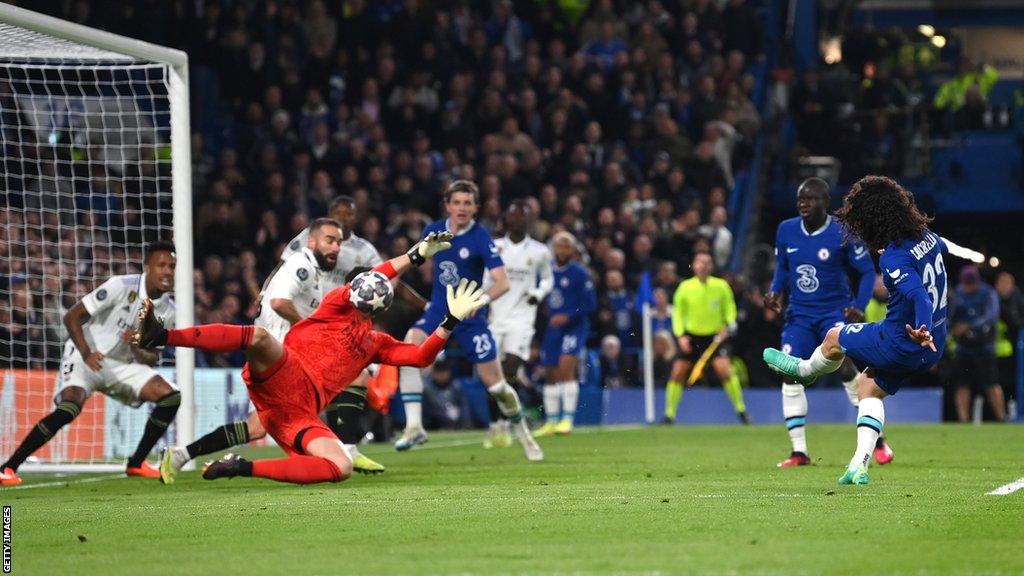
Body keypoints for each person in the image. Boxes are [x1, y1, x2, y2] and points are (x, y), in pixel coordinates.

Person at [134, 233, 488, 484]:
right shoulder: (336, 302)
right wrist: (413, 257)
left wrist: (450, 321)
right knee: (258, 337)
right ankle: (162, 335)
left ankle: (240, 467)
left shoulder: (376, 343)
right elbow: (378, 276)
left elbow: (421, 356)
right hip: (283, 373)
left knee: (340, 466)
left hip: (298, 413)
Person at [157, 219, 385, 481]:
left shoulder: (315, 275)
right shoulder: (303, 265)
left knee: (257, 427)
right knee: (352, 379)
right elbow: (279, 302)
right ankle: (346, 448)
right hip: (280, 359)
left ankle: (179, 456)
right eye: (329, 240)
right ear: (312, 242)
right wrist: (309, 327)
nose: (335, 247)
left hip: (281, 359)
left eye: (338, 242)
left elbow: (272, 298)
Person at [763, 175, 949, 485]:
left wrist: (921, 328)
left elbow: (917, 295)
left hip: (901, 339)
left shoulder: (893, 257)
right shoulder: (927, 237)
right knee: (869, 388)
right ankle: (859, 464)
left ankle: (806, 369)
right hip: (933, 345)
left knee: (834, 339)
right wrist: (929, 332)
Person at [1, 242, 179, 486]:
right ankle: (8, 467)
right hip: (85, 355)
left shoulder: (168, 310)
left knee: (171, 396)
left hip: (121, 365)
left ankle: (136, 463)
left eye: (172, 266)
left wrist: (138, 344)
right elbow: (71, 316)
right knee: (69, 408)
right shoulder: (121, 286)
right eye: (161, 265)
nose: (167, 271)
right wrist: (86, 353)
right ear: (148, 267)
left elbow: (152, 357)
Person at [394, 180, 543, 461]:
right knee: (408, 351)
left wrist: (480, 301)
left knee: (497, 385)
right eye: (457, 203)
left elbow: (502, 283)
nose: (462, 208)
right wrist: (391, 278)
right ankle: (414, 427)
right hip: (439, 310)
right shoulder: (433, 231)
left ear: (476, 207)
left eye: (468, 203)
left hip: (470, 317)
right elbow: (412, 260)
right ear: (447, 205)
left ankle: (524, 434)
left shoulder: (480, 237)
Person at [765, 177, 892, 468]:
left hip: (832, 313)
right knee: (788, 369)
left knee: (845, 367)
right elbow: (783, 268)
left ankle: (879, 439)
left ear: (825, 202)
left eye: (811, 199)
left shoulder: (842, 230)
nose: (804, 204)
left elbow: (865, 272)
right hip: (799, 315)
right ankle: (799, 452)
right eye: (800, 199)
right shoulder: (786, 229)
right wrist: (775, 291)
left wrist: (858, 307)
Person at [484, 200, 554, 448]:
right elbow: (485, 279)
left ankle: (504, 421)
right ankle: (496, 424)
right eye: (513, 216)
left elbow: (547, 279)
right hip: (496, 317)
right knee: (493, 373)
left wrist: (538, 293)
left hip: (523, 319)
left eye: (522, 217)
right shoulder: (495, 247)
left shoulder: (540, 251)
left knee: (510, 367)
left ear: (528, 221)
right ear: (506, 220)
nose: (517, 221)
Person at [664, 252, 748, 424]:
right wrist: (680, 336)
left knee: (725, 370)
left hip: (714, 337)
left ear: (712, 266)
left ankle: (741, 411)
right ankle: (669, 415)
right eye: (700, 262)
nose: (703, 265)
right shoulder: (685, 287)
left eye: (707, 262)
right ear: (694, 265)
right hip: (691, 337)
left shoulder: (721, 286)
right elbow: (677, 313)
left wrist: (730, 325)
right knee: (678, 372)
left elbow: (730, 308)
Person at [534, 232, 597, 436]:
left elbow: (590, 304)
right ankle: (552, 422)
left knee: (566, 368)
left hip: (574, 327)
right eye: (559, 246)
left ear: (572, 250)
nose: (562, 251)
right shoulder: (546, 272)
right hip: (553, 328)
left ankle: (567, 420)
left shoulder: (580, 273)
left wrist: (567, 316)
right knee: (550, 372)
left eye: (566, 247)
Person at [950, 266, 1005, 422]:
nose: (967, 287)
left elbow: (992, 316)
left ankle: (1001, 418)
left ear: (976, 282)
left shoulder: (988, 293)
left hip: (984, 347)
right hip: (963, 348)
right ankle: (963, 420)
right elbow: (950, 313)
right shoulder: (958, 293)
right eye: (965, 284)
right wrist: (953, 327)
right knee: (962, 385)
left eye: (970, 284)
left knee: (991, 384)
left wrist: (969, 326)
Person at [994, 272, 1022, 414]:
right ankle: (998, 414)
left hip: (1014, 351)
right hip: (993, 351)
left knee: (1013, 382)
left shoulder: (1017, 300)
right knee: (996, 382)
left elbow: (1016, 323)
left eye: (1007, 283)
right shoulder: (991, 299)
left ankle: (1014, 410)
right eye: (1001, 283)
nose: (1004, 286)